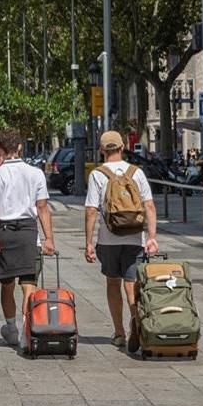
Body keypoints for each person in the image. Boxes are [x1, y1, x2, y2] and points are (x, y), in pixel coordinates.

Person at [83, 130, 157, 349]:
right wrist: (151, 237)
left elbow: (90, 211)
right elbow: (149, 206)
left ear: (102, 150)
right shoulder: (137, 172)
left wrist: (88, 243)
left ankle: (119, 332)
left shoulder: (98, 174)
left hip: (108, 239)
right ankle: (136, 319)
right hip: (135, 238)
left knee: (112, 282)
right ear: (123, 147)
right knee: (132, 283)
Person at [0, 129, 55, 348]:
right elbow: (42, 208)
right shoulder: (35, 174)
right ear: (20, 147)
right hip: (28, 232)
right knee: (29, 286)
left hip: (5, 233)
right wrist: (49, 238)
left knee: (7, 285)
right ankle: (27, 328)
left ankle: (12, 327)